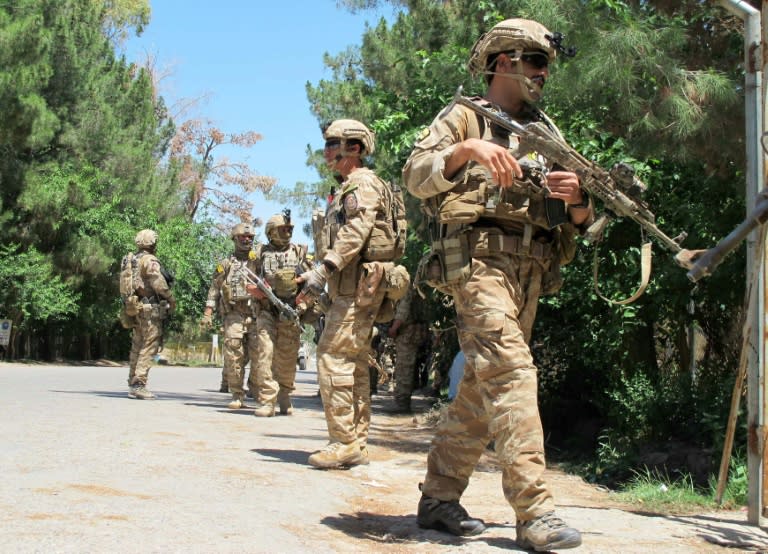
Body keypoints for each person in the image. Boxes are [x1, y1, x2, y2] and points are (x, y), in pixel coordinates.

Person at [402, 18, 593, 552]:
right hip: (478, 265)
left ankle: (438, 498)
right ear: (504, 61)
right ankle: (535, 512)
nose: (544, 74)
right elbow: (415, 175)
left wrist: (576, 198)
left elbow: (582, 222)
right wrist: (467, 152)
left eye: (547, 65)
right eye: (536, 63)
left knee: (479, 394)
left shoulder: (546, 132)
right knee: (511, 374)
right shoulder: (464, 116)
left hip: (529, 273)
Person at [297, 118, 407, 469]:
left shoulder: (361, 184)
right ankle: (355, 441)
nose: (326, 151)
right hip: (354, 288)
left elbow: (354, 234)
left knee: (332, 356)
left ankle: (343, 441)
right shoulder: (350, 186)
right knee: (355, 363)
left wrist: (322, 270)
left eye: (333, 144)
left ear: (354, 148)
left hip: (358, 288)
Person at [249, 211, 311, 417]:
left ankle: (284, 394)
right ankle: (267, 399)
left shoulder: (300, 252)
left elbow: (313, 283)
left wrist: (302, 304)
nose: (287, 232)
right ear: (270, 232)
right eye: (282, 229)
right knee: (265, 353)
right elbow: (246, 281)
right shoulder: (258, 253)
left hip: (291, 312)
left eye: (289, 229)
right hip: (267, 310)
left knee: (287, 356)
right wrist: (257, 292)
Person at [200, 223, 260, 410]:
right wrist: (207, 313)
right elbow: (214, 289)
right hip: (234, 314)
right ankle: (236, 394)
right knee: (234, 355)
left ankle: (256, 389)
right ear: (234, 239)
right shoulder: (225, 264)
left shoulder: (258, 261)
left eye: (250, 237)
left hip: (257, 314)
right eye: (242, 237)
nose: (246, 240)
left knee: (260, 356)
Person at [123, 229, 176, 400]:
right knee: (149, 346)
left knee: (137, 346)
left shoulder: (131, 259)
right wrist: (171, 299)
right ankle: (139, 384)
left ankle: (133, 381)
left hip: (134, 307)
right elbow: (159, 284)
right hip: (149, 309)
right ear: (152, 243)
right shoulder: (149, 260)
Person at [387, 286, 430, 413]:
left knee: (404, 368)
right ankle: (404, 401)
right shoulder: (418, 289)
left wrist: (393, 329)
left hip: (408, 332)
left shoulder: (406, 291)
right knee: (411, 367)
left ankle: (402, 404)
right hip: (417, 332)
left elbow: (402, 312)